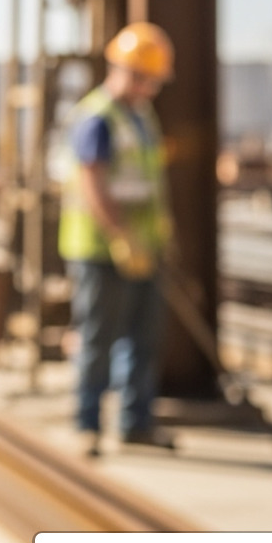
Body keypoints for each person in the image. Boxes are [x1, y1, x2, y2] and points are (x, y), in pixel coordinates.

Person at [58, 23, 175, 457]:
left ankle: (135, 422)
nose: (152, 89)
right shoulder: (97, 118)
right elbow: (94, 185)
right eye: (149, 80)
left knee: (144, 339)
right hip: (100, 250)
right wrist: (122, 237)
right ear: (127, 72)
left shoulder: (141, 117)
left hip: (144, 248)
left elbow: (147, 182)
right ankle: (86, 424)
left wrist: (160, 238)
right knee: (98, 339)